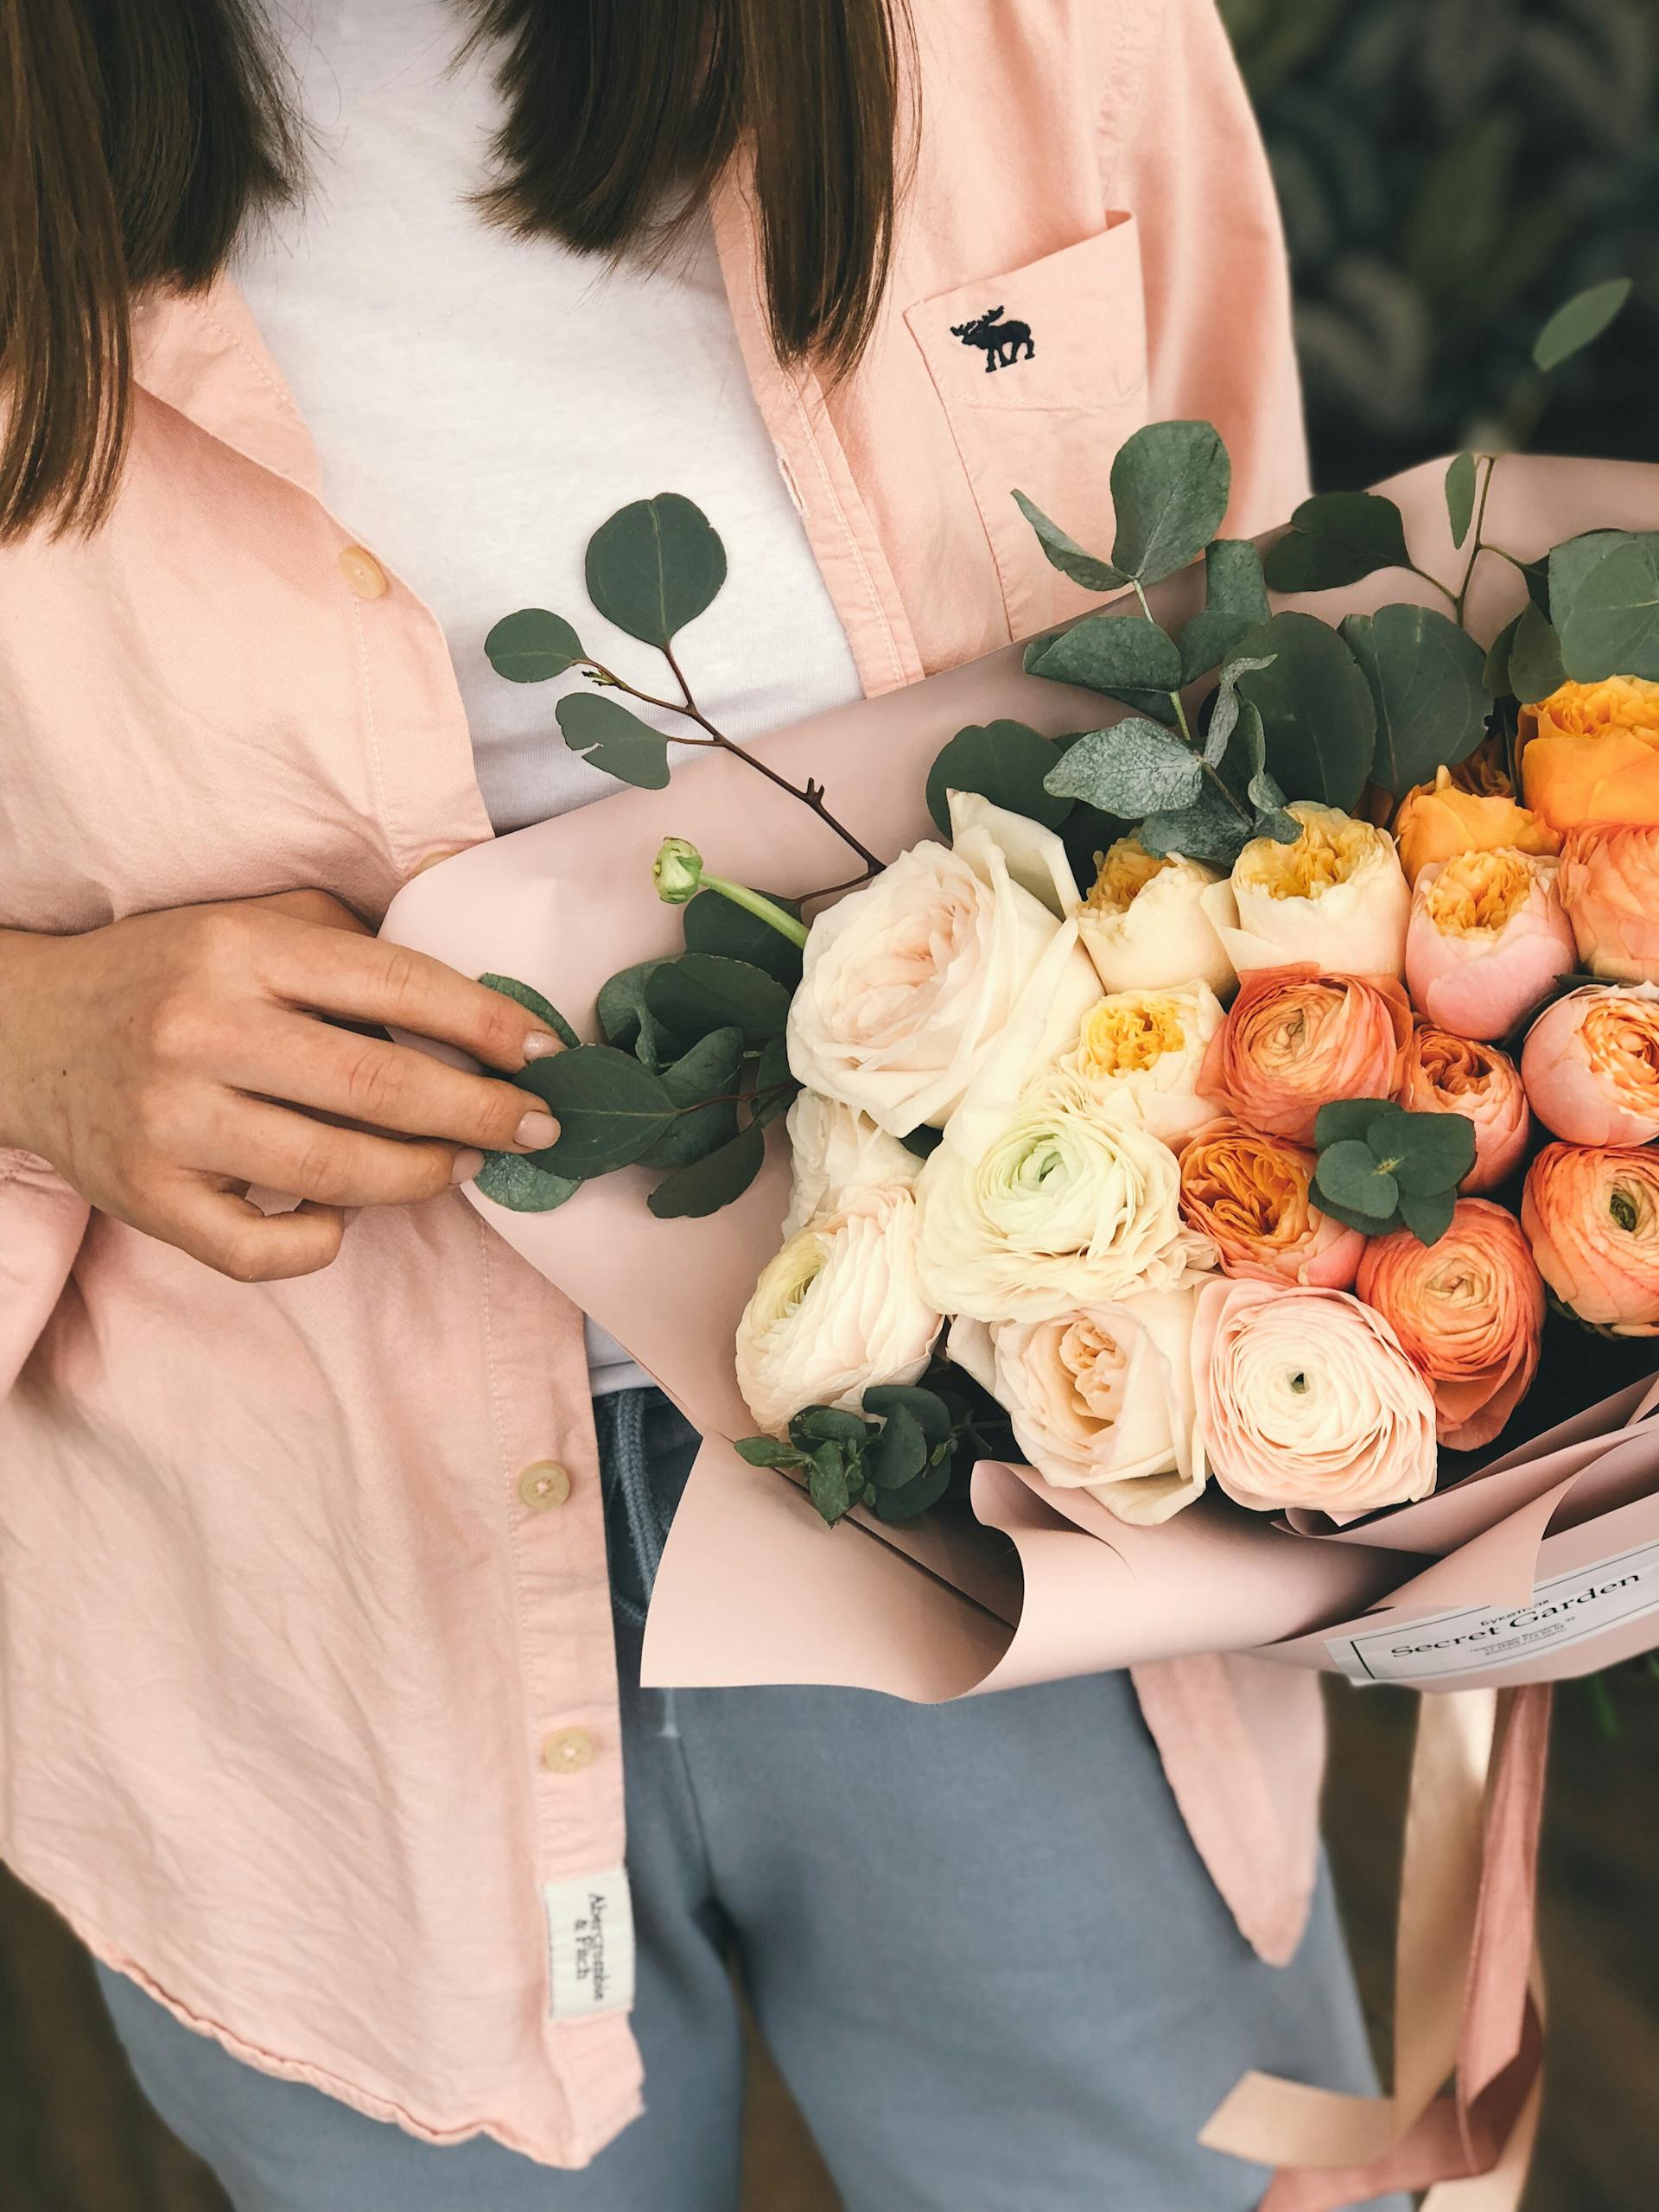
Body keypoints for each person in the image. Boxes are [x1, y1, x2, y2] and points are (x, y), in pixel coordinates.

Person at [0, 3, 1402, 2207]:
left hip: (1050, 1439)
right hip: (279, 1580)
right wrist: (31, 1041)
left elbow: (1267, 694)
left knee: (1221, 2166)